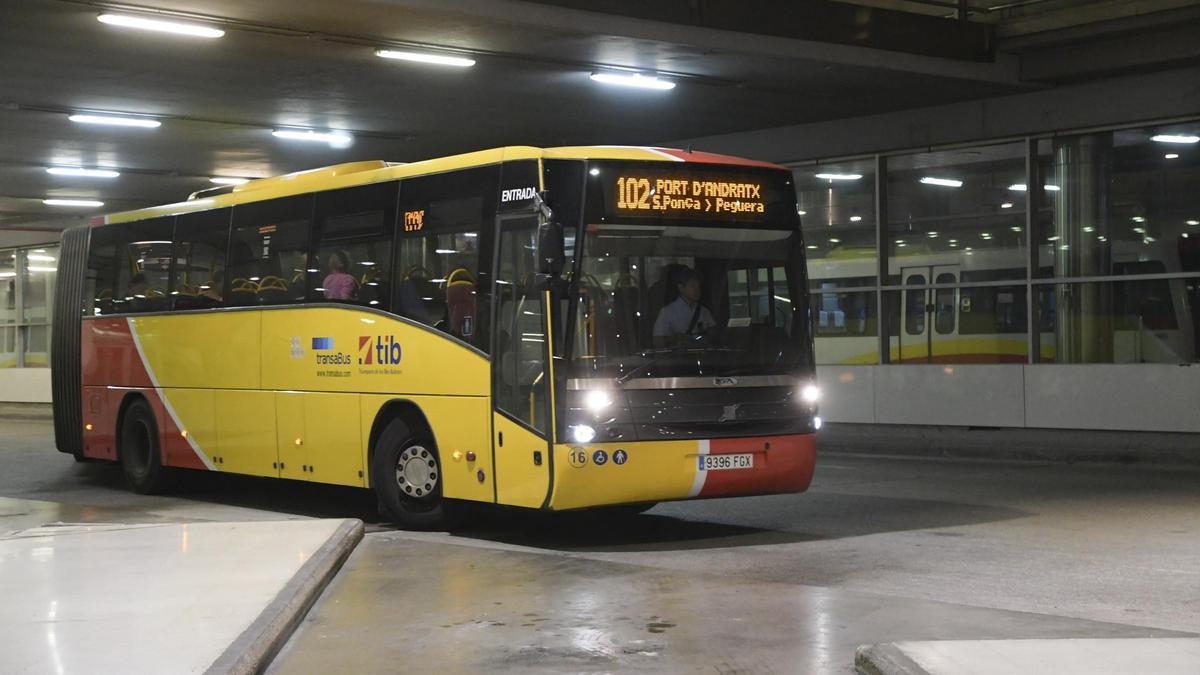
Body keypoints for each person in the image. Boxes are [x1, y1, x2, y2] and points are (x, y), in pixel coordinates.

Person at [653, 268, 715, 346]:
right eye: (693, 286)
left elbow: (713, 337)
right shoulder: (667, 312)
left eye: (699, 286)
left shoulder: (704, 311)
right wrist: (674, 339)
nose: (697, 289)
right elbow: (657, 341)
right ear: (681, 288)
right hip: (675, 357)